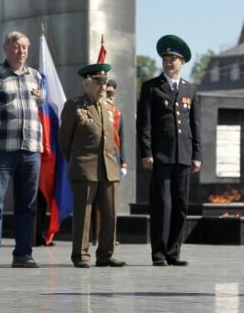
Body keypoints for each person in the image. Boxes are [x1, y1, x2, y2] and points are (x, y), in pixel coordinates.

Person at [0, 31, 43, 269]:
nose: (21, 51)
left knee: (28, 204)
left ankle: (23, 254)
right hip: (1, 149)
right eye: (16, 47)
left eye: (25, 47)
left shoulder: (36, 76)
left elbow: (40, 108)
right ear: (6, 48)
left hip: (31, 149)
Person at [137, 35, 202, 266]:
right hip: (161, 156)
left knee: (181, 206)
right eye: (165, 58)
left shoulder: (190, 89)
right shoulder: (152, 87)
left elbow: (196, 124)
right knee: (162, 205)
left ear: (182, 62)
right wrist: (146, 152)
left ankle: (174, 252)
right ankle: (159, 253)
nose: (168, 62)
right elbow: (144, 125)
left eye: (173, 58)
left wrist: (197, 155)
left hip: (183, 156)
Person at [58, 63, 125, 268]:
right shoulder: (74, 106)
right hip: (85, 167)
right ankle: (81, 255)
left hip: (109, 168)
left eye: (105, 82)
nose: (103, 87)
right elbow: (64, 140)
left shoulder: (108, 108)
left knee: (111, 213)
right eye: (99, 82)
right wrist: (77, 162)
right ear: (87, 83)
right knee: (83, 214)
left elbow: (112, 138)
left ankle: (105, 254)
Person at [91, 79, 127, 246]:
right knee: (95, 203)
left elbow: (121, 139)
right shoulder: (95, 110)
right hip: (96, 159)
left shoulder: (116, 112)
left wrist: (124, 162)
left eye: (112, 93)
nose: (110, 96)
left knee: (111, 202)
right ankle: (96, 236)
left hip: (113, 159)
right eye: (107, 93)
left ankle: (110, 237)